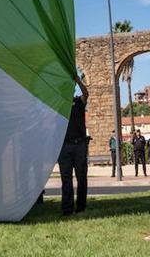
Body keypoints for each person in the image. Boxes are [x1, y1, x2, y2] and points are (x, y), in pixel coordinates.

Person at [57, 80, 90, 215]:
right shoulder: (59, 106)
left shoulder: (78, 102)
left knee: (81, 177)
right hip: (64, 146)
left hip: (79, 145)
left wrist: (77, 79)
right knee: (66, 178)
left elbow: (86, 93)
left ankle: (81, 207)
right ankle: (67, 208)